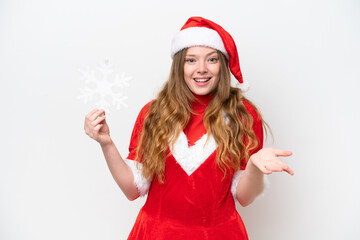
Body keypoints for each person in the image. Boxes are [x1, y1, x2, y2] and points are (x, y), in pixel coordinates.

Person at [84, 16, 294, 240]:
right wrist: (106, 142)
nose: (201, 69)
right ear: (179, 66)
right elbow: (132, 190)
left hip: (220, 234)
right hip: (156, 234)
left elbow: (244, 197)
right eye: (191, 60)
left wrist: (254, 166)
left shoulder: (243, 115)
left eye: (211, 59)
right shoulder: (153, 113)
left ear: (222, 64)